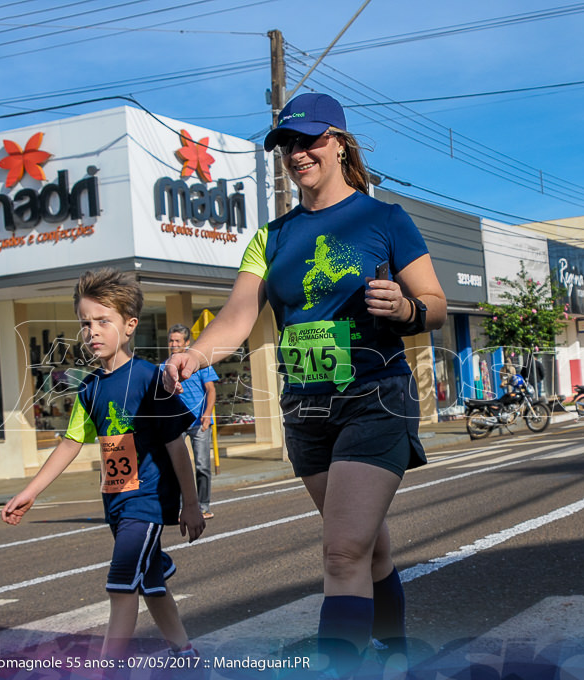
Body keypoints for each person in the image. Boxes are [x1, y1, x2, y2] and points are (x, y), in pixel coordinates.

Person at [162, 93, 446, 675]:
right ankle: (395, 650)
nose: (298, 153)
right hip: (307, 410)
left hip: (375, 400)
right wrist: (195, 353)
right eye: (289, 144)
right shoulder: (272, 236)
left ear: (340, 142)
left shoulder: (383, 219)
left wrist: (406, 308)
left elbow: (437, 305)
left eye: (311, 139)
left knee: (342, 551)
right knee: (371, 548)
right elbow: (239, 317)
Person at [2, 269, 205, 660]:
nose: (92, 331)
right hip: (115, 502)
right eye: (85, 323)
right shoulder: (89, 387)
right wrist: (29, 493)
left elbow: (177, 445)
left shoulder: (152, 379)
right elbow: (70, 443)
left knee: (120, 585)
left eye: (102, 321)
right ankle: (185, 654)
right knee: (150, 583)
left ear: (129, 326)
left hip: (146, 502)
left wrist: (191, 504)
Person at [165, 323, 218, 519]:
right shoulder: (165, 367)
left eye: (177, 340)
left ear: (187, 343)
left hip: (198, 422)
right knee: (176, 465)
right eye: (171, 340)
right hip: (176, 425)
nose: (173, 344)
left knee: (202, 465)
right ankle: (182, 507)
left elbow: (211, 390)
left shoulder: (200, 363)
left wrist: (207, 414)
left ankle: (203, 506)